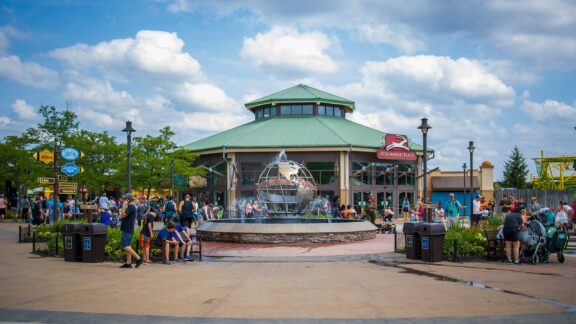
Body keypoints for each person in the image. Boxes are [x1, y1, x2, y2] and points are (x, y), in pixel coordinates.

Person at [119, 193, 142, 269]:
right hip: (128, 229)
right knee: (128, 246)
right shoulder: (131, 207)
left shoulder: (131, 207)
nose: (123, 200)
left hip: (127, 229)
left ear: (128, 200)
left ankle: (138, 258)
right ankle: (128, 263)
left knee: (125, 246)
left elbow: (122, 215)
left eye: (124, 199)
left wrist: (124, 205)